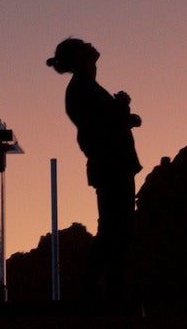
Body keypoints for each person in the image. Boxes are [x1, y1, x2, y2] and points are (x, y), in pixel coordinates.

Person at [47, 37, 143, 310]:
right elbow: (104, 124)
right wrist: (123, 111)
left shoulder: (82, 89)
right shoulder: (83, 89)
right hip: (112, 165)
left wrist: (123, 114)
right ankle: (105, 293)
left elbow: (103, 123)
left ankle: (103, 291)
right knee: (117, 230)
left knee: (115, 229)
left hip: (109, 165)